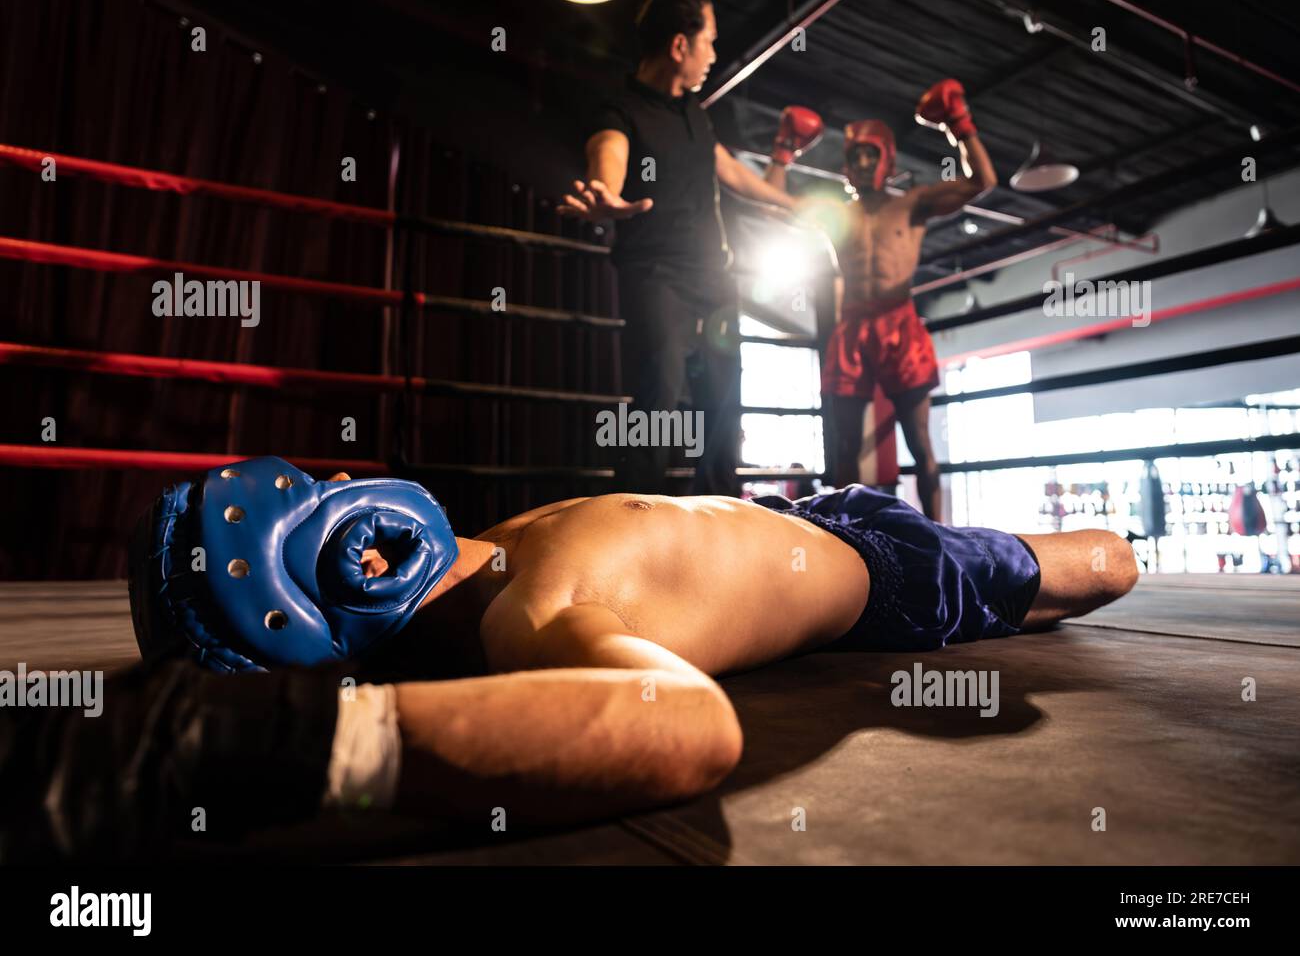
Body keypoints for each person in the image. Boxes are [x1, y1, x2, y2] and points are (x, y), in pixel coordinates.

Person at [1, 457, 1137, 860]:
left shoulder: (482, 556)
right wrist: (257, 746)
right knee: (1104, 563)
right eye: (312, 513)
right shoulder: (531, 629)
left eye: (316, 481)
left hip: (807, 510)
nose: (344, 486)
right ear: (335, 598)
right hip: (889, 579)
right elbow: (686, 728)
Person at [558, 0, 811, 496]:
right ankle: (634, 513)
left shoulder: (694, 112)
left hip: (714, 279)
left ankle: (718, 511)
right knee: (660, 395)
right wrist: (603, 190)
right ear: (680, 45)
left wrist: (790, 203)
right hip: (657, 276)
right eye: (709, 40)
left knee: (723, 400)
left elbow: (730, 169)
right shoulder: (620, 110)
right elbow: (608, 152)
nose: (714, 53)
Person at [768, 79, 997, 520]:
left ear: (887, 160)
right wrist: (783, 150)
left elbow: (983, 181)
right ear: (847, 165)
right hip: (852, 327)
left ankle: (938, 533)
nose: (864, 162)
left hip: (900, 324)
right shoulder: (835, 213)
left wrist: (959, 125)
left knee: (921, 442)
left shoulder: (913, 204)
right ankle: (843, 536)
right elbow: (774, 202)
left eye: (872, 154)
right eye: (856, 155)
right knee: (845, 448)